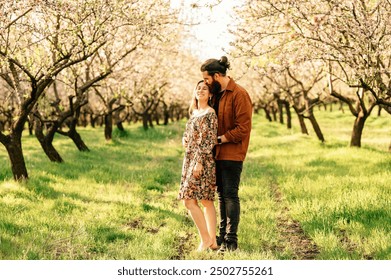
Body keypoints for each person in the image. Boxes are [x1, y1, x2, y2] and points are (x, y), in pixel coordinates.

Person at [200, 56, 252, 252]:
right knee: (221, 196)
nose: (205, 83)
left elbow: (243, 129)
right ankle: (221, 237)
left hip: (232, 153)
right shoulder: (216, 95)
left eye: (206, 79)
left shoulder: (239, 94)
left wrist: (220, 139)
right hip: (217, 154)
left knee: (230, 195)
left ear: (216, 75)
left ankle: (231, 241)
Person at [178, 80, 219, 251]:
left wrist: (199, 162)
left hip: (201, 160)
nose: (201, 90)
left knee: (190, 200)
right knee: (205, 200)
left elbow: (209, 140)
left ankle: (206, 239)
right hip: (190, 159)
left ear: (210, 94)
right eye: (198, 88)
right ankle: (213, 241)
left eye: (205, 89)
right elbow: (191, 135)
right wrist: (184, 139)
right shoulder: (195, 112)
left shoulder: (210, 113)